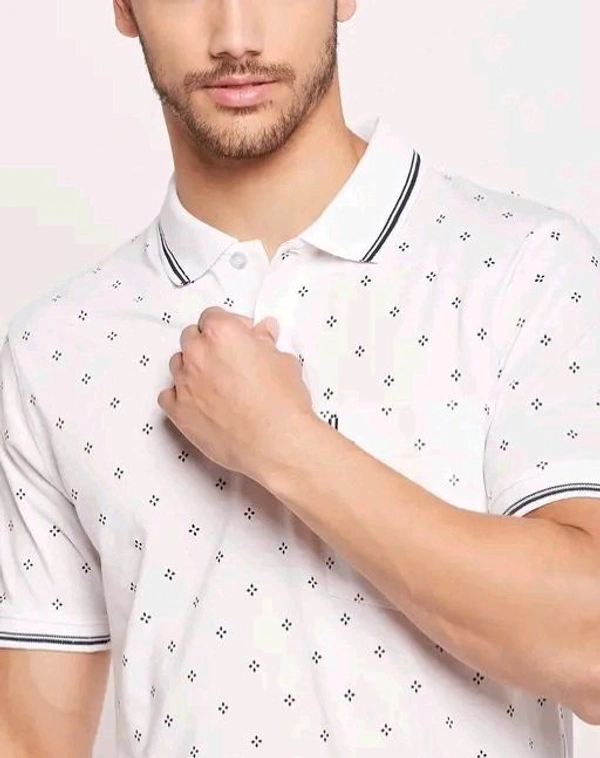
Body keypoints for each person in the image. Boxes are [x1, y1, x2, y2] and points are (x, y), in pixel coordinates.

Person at [1, 0, 599, 756]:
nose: (235, 37)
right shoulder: (58, 347)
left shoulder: (520, 268)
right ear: (124, 7)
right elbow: (31, 740)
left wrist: (282, 443)